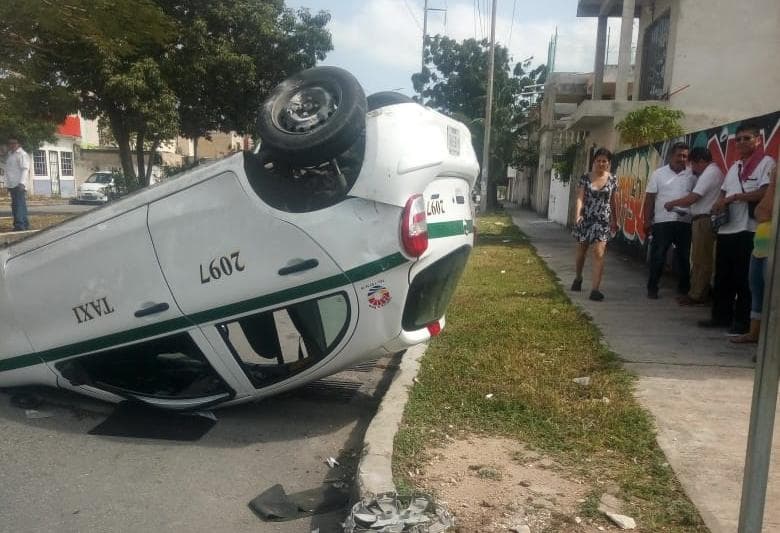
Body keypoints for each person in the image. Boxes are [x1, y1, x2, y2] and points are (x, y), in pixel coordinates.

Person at [699, 122, 774, 335]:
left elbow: (765, 192)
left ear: (757, 140)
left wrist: (734, 198)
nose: (741, 142)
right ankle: (720, 316)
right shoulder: (734, 166)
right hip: (727, 228)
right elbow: (724, 192)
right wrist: (719, 202)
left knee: (744, 279)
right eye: (738, 139)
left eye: (746, 138)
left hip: (748, 229)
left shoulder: (766, 163)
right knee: (723, 277)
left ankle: (742, 322)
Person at [663, 147, 725, 305]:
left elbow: (693, 198)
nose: (693, 169)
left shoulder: (710, 173)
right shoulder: (712, 172)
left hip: (704, 220)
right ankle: (696, 292)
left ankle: (697, 294)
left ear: (701, 161)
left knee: (701, 260)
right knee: (698, 258)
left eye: (693, 165)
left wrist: (672, 203)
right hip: (700, 219)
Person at [643, 142, 695, 299]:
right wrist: (647, 220)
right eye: (679, 155)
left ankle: (684, 289)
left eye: (685, 156)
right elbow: (650, 198)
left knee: (684, 257)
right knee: (659, 255)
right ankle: (652, 288)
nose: (682, 159)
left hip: (684, 222)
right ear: (671, 156)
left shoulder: (692, 175)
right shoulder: (658, 174)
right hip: (662, 221)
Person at [730, 164, 776, 344]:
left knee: (771, 295)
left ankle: (768, 342)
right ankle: (754, 333)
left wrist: (773, 183)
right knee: (757, 290)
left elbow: (763, 212)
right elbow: (760, 213)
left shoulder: (773, 189)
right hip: (760, 246)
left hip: (772, 249)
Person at [570, 148, 618, 301]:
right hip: (586, 219)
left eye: (604, 161)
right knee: (581, 252)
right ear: (594, 161)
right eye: (598, 160)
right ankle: (578, 278)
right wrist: (577, 215)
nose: (601, 163)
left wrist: (615, 220)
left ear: (608, 163)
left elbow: (613, 202)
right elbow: (580, 198)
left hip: (603, 221)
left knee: (599, 253)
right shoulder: (585, 177)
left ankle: (595, 290)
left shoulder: (613, 179)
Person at [5, 136, 31, 231]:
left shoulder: (22, 154)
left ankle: (19, 225)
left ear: (18, 144)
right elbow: (8, 170)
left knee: (18, 205)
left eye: (14, 143)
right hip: (12, 184)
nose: (12, 145)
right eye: (10, 143)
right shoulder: (10, 155)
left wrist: (22, 183)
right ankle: (24, 224)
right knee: (17, 205)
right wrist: (8, 184)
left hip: (19, 184)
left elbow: (25, 169)